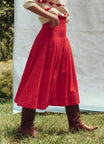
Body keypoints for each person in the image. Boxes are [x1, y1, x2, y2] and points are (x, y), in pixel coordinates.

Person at [14, 0, 98, 138]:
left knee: (67, 80)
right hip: (49, 37)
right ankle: (26, 127)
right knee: (37, 80)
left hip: (62, 39)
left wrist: (63, 16)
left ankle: (75, 124)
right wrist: (52, 16)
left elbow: (59, 8)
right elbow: (28, 4)